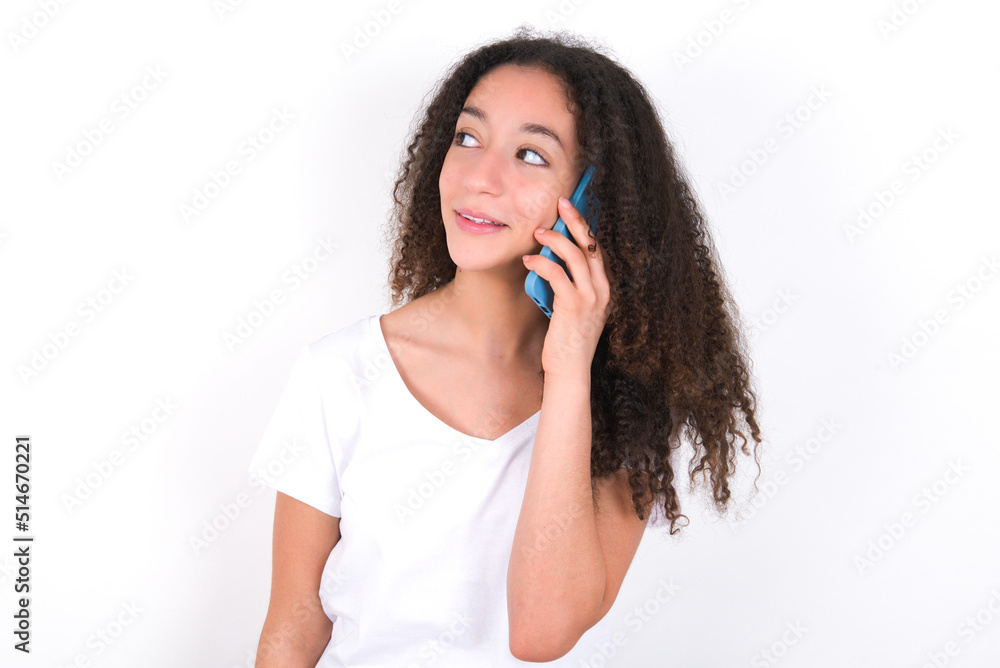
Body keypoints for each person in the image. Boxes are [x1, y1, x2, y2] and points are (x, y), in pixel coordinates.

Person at [248, 25, 762, 667]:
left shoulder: (625, 403)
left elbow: (541, 633)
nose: (480, 178)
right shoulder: (340, 373)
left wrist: (569, 368)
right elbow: (294, 625)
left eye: (531, 155)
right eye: (468, 138)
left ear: (595, 201)